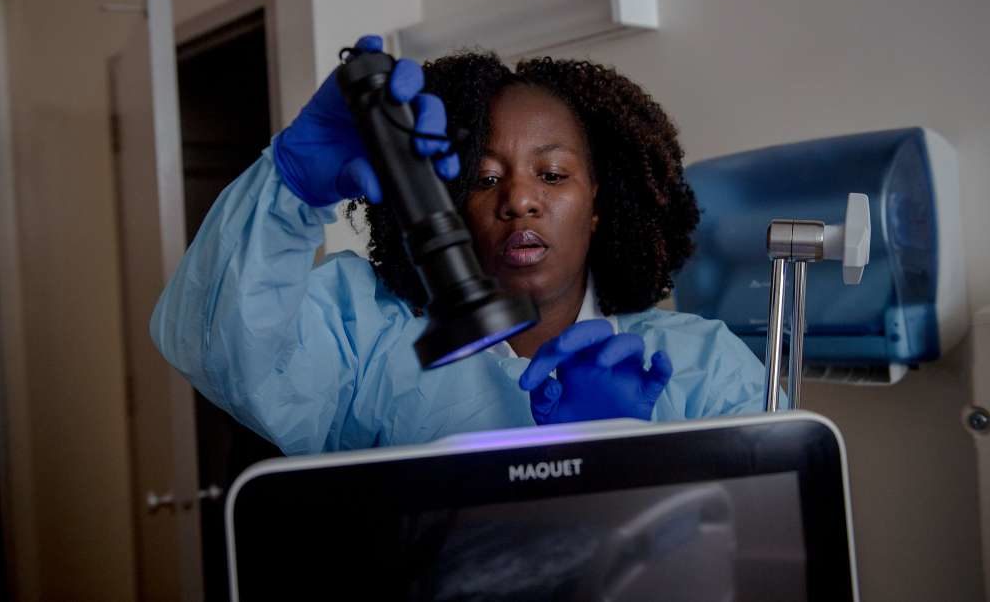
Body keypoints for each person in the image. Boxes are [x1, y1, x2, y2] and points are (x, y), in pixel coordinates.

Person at [150, 35, 767, 456]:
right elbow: (222, 350)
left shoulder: (701, 372)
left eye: (552, 175)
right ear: (446, 200)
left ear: (601, 204)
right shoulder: (366, 338)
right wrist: (286, 182)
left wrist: (624, 458)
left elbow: (757, 558)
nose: (520, 201)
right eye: (484, 178)